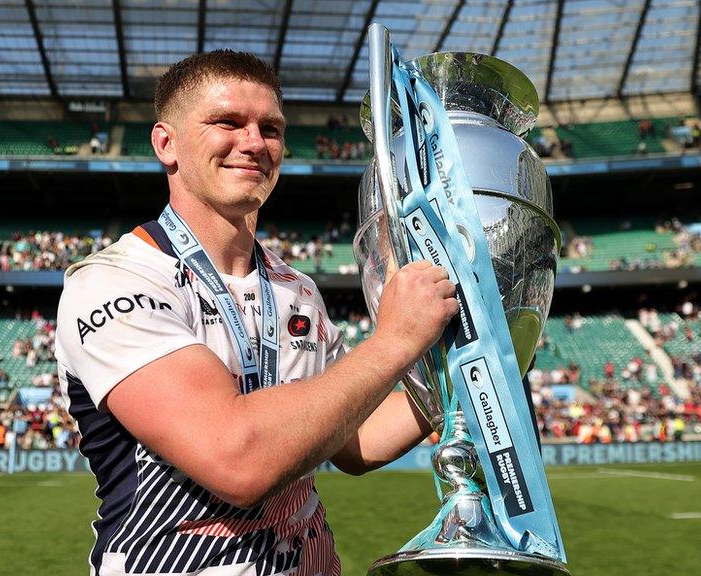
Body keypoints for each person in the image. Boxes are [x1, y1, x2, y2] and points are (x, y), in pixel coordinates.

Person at [55, 50, 457, 576]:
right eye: (228, 122)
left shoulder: (297, 289)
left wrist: (469, 364)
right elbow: (236, 458)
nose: (253, 142)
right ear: (165, 143)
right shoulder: (114, 281)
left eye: (270, 128)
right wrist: (395, 343)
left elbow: (355, 439)